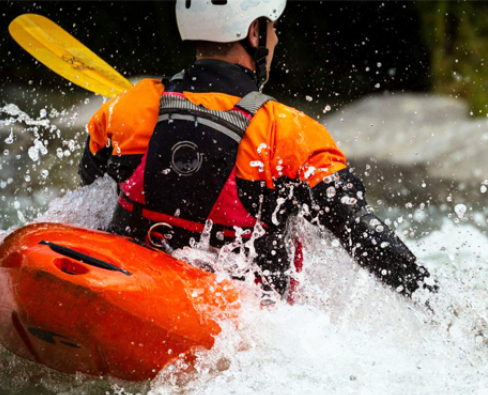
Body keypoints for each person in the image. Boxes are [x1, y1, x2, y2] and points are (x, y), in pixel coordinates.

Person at [78, 0, 438, 302]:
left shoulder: (125, 109)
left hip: (128, 286)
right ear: (254, 33)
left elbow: (87, 196)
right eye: (272, 26)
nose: (277, 37)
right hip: (239, 327)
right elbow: (361, 232)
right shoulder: (288, 132)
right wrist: (434, 300)